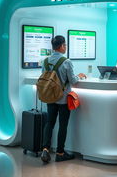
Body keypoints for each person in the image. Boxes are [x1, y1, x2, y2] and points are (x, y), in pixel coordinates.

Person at [41, 35, 86, 163]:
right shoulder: (66, 61)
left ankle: (45, 149)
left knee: (49, 123)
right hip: (63, 99)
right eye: (65, 45)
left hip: (49, 97)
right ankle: (60, 153)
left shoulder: (45, 61)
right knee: (63, 125)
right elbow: (73, 81)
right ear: (61, 46)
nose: (65, 47)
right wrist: (79, 76)